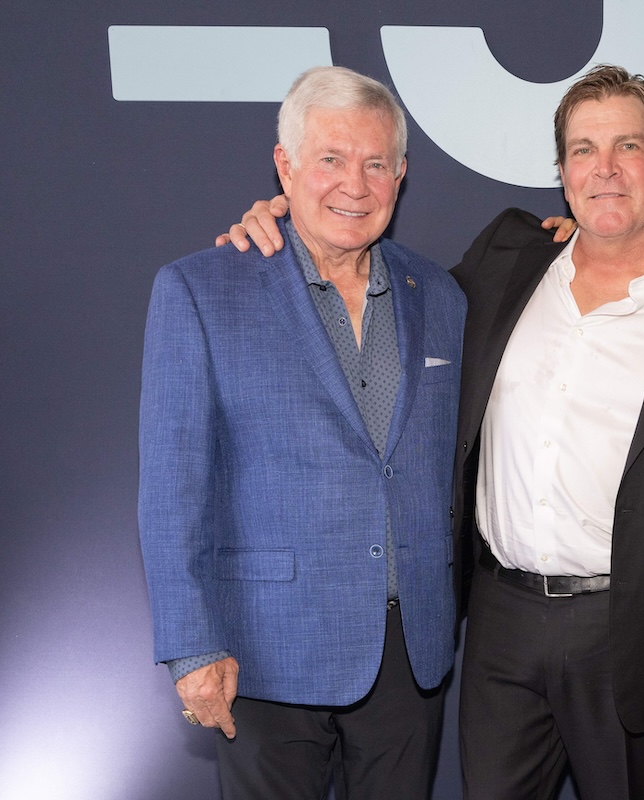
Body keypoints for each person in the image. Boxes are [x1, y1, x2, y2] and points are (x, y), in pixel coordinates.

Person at [225, 64, 644, 800]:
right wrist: (288, 218)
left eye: (628, 147)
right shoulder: (505, 263)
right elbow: (363, 273)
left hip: (635, 634)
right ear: (561, 171)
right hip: (500, 627)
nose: (606, 169)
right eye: (584, 150)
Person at [139, 65, 466, 799]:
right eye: (331, 159)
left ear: (402, 175)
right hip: (265, 650)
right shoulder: (200, 289)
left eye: (376, 163)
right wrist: (192, 647)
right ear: (284, 166)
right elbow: (171, 490)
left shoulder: (438, 295)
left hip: (406, 654)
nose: (355, 183)